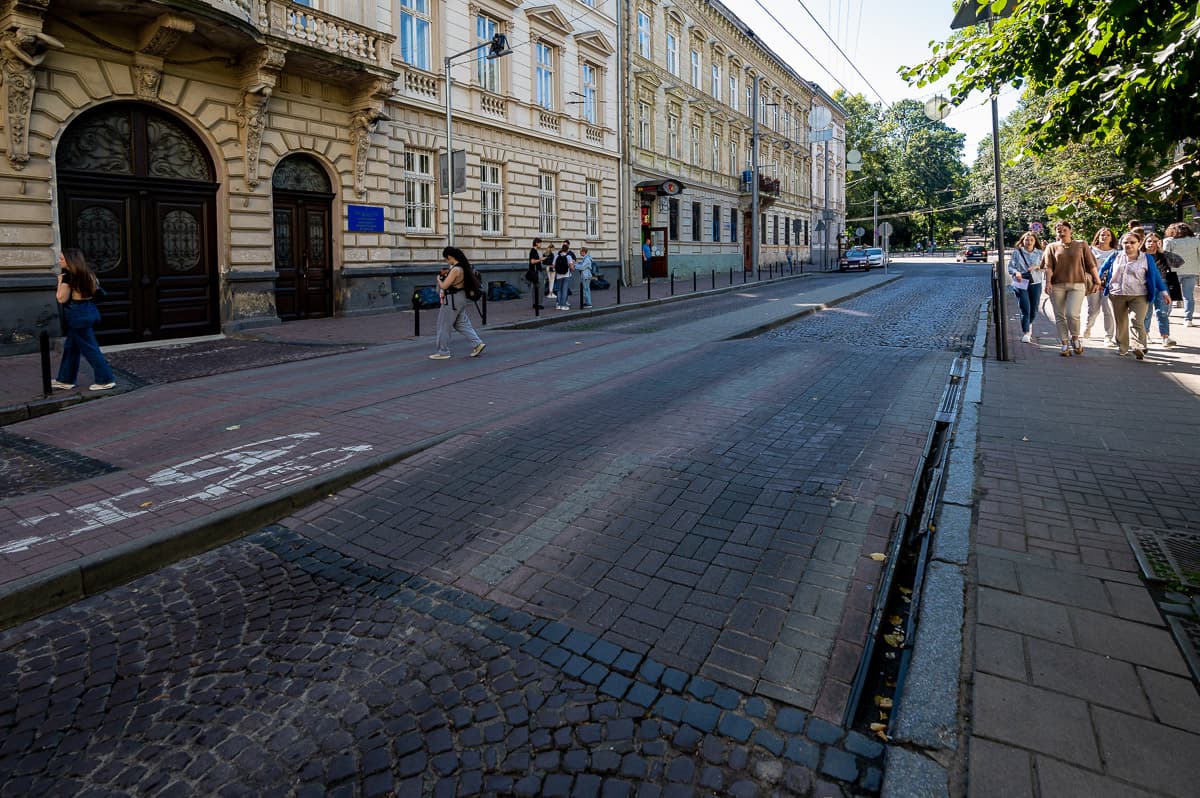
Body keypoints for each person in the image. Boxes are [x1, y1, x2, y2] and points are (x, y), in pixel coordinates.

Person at [1099, 232, 1170, 361]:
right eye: (1126, 242)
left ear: (1139, 243)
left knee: (1136, 320)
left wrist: (1164, 292)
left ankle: (1139, 346)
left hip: (1139, 295)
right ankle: (1123, 347)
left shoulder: (1146, 258)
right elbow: (1103, 269)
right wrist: (1097, 283)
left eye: (1132, 242)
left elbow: (1155, 275)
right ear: (1121, 244)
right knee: (1121, 322)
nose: (1129, 245)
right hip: (1117, 294)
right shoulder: (1115, 256)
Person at [52, 248, 116, 391]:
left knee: (90, 349)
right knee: (71, 348)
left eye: (61, 258)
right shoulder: (88, 273)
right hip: (90, 310)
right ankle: (65, 379)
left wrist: (60, 281)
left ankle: (106, 380)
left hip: (78, 315)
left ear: (70, 261)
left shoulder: (68, 276)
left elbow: (61, 298)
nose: (59, 261)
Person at [1043, 220, 1101, 357]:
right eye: (1059, 231)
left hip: (1077, 284)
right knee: (1059, 315)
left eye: (1064, 230)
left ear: (1070, 231)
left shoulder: (1081, 244)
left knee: (1072, 314)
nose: (1062, 233)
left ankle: (1075, 337)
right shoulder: (1051, 247)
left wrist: (1097, 280)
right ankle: (1064, 343)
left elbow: (1091, 264)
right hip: (1057, 285)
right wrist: (1048, 282)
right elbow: (1048, 266)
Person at [430, 246, 485, 360]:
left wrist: (439, 279)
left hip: (452, 300)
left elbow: (444, 286)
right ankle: (477, 343)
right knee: (461, 323)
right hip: (461, 298)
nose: (447, 261)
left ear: (450, 257)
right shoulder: (464, 267)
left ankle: (443, 352)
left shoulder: (455, 270)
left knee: (443, 325)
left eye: (446, 259)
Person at [1141, 233, 1178, 347]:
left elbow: (1178, 262)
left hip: (1162, 285)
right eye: (1149, 241)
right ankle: (1144, 334)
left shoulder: (1162, 255)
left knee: (1162, 312)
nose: (1152, 243)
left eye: (1155, 241)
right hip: (1144, 285)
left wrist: (1163, 251)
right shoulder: (1140, 255)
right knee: (1146, 312)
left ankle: (1165, 337)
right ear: (1144, 243)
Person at [1009, 232, 1045, 343]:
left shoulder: (1040, 253)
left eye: (1031, 240)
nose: (1029, 242)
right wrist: (1016, 272)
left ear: (1035, 242)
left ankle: (1028, 324)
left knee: (1034, 309)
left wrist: (1036, 267)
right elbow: (1011, 267)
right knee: (1025, 308)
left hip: (1036, 282)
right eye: (1026, 240)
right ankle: (1026, 333)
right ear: (1023, 241)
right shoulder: (1017, 252)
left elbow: (1046, 267)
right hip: (1021, 282)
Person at [1085, 227, 1117, 345]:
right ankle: (1088, 327)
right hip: (1093, 284)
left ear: (1111, 238)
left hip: (1108, 286)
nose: (1105, 237)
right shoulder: (1090, 250)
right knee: (1093, 310)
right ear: (1098, 237)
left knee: (1108, 310)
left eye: (1108, 235)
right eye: (1102, 235)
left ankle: (1108, 337)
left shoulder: (1116, 252)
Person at [1164, 222, 1200, 326]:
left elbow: (1165, 256)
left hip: (1174, 271)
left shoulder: (1169, 241)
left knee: (1171, 295)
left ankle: (1166, 316)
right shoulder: (1196, 241)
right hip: (1192, 270)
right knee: (1188, 296)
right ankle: (1188, 319)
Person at [553, 242, 574, 310]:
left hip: (558, 275)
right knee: (564, 290)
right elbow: (572, 267)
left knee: (559, 290)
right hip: (566, 275)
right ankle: (563, 305)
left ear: (561, 249)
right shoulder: (568, 257)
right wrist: (572, 267)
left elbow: (553, 266)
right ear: (567, 250)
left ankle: (558, 305)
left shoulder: (557, 256)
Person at [527, 237, 545, 307]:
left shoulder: (534, 251)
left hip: (534, 272)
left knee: (535, 288)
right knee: (540, 288)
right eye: (540, 243)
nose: (541, 245)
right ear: (536, 243)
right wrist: (541, 259)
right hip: (536, 272)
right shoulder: (533, 251)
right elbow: (532, 261)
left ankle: (535, 303)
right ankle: (539, 304)